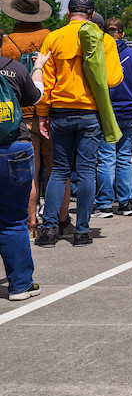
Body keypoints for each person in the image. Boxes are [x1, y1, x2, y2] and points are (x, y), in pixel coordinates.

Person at [34, 0, 122, 248]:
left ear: (68, 11)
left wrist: (42, 115)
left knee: (59, 171)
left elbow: (45, 82)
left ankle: (49, 229)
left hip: (59, 112)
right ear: (92, 15)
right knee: (86, 173)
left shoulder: (53, 37)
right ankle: (82, 231)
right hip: (89, 113)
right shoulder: (104, 40)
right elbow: (113, 80)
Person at [0, 0, 62, 239]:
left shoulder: (6, 42)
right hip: (52, 111)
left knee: (29, 172)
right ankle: (59, 220)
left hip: (19, 116)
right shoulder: (51, 37)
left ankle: (31, 223)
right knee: (58, 169)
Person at [0, 45, 46, 300]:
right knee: (12, 220)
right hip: (13, 147)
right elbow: (35, 96)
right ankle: (20, 285)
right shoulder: (14, 68)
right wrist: (38, 67)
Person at [96, 19, 132, 218]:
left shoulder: (100, 55)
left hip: (109, 114)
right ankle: (127, 203)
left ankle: (105, 204)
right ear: (122, 34)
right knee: (124, 158)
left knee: (107, 159)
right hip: (131, 113)